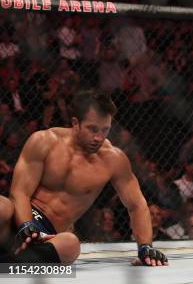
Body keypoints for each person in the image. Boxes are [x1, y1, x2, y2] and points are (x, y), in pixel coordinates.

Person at [0, 90, 168, 266]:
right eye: (93, 129)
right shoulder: (44, 141)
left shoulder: (113, 160)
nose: (99, 138)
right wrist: (26, 226)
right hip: (20, 217)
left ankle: (10, 264)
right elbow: (20, 192)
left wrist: (145, 247)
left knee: (71, 245)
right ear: (75, 123)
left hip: (47, 236)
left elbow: (137, 205)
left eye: (105, 130)